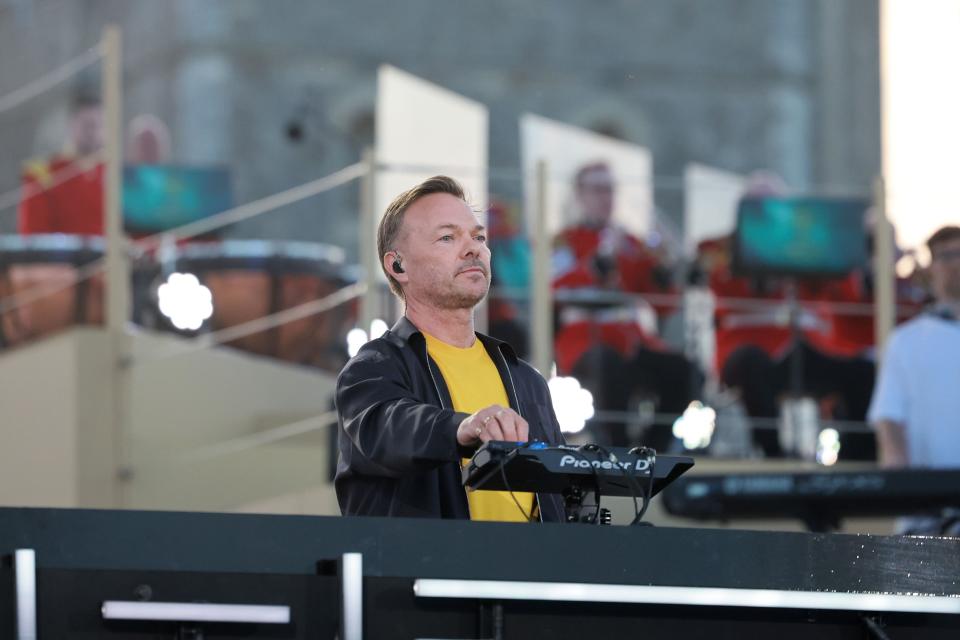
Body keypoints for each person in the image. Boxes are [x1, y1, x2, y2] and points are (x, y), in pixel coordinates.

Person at [335, 176, 567, 521]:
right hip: (429, 573)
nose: (474, 248)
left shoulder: (528, 381)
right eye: (447, 237)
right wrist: (462, 428)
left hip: (529, 574)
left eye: (479, 237)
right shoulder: (372, 368)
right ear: (397, 265)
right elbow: (389, 429)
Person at [552, 161, 699, 449]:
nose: (605, 197)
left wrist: (664, 273)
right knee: (608, 367)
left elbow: (661, 304)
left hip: (632, 340)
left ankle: (651, 449)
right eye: (597, 190)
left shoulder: (632, 242)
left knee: (685, 371)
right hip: (588, 339)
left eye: (609, 190)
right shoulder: (564, 241)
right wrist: (596, 264)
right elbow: (557, 288)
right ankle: (616, 450)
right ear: (580, 195)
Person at [18, 92, 105, 236]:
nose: (92, 131)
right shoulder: (44, 174)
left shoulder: (117, 175)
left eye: (98, 125)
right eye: (87, 125)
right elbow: (34, 236)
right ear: (71, 124)